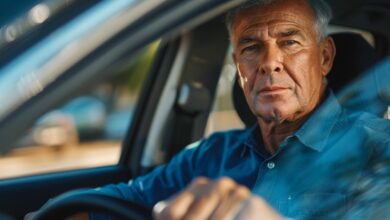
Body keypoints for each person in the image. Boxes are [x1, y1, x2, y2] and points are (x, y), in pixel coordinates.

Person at [29, 0, 390, 219]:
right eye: (251, 48)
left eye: (289, 42)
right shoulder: (208, 157)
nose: (270, 63)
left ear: (324, 57)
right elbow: (119, 202)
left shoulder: (379, 150)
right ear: (238, 65)